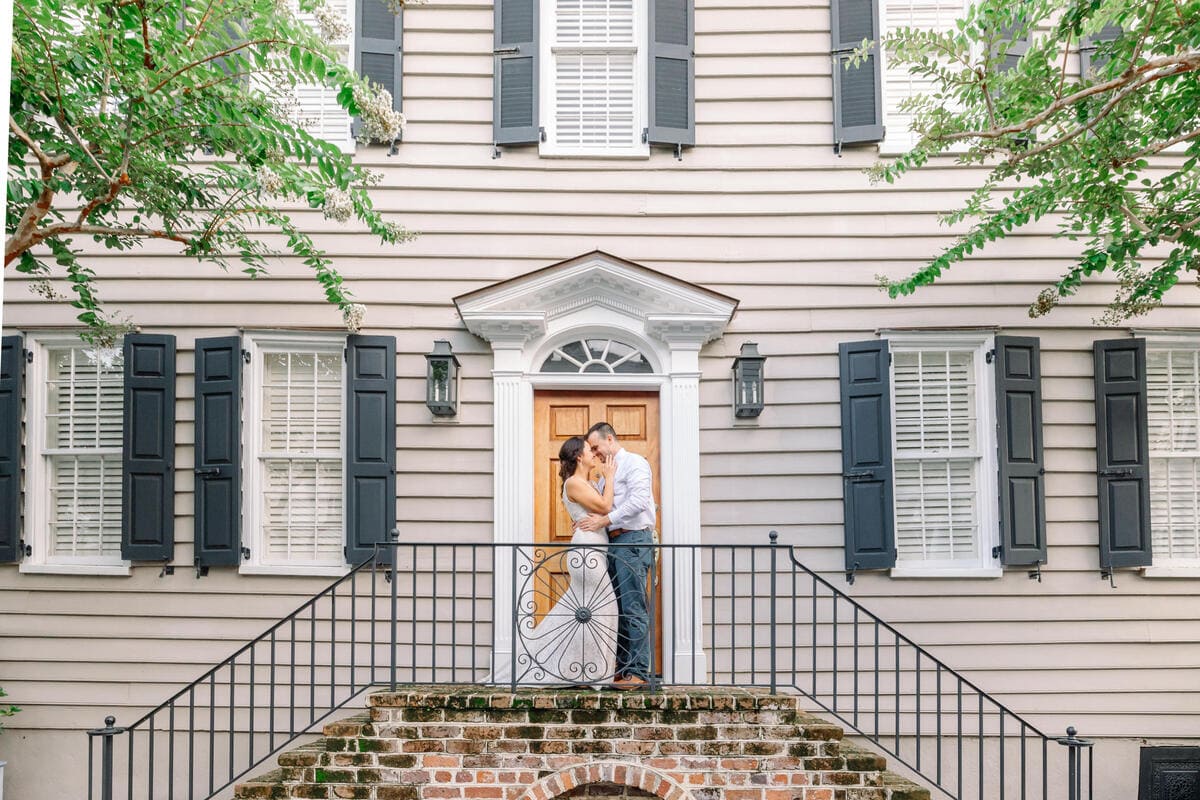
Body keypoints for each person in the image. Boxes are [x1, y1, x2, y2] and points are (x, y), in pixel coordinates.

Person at [512, 436, 619, 686]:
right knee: (600, 610)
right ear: (579, 456)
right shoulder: (573, 483)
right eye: (588, 450)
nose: (593, 453)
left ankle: (586, 670)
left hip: (595, 548)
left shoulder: (586, 482)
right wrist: (611, 476)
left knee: (589, 612)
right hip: (586, 553)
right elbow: (605, 506)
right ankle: (593, 674)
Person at [577, 422, 656, 690]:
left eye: (596, 447)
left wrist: (604, 520)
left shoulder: (635, 464)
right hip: (615, 543)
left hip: (633, 540)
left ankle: (638, 671)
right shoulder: (604, 476)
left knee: (633, 606)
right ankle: (622, 670)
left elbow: (639, 502)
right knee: (620, 609)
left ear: (610, 439)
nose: (595, 453)